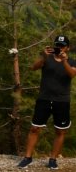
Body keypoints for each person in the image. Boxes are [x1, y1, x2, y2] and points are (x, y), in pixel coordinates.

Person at [18, 35, 76, 170]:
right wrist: (43, 56)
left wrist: (64, 61)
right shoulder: (47, 58)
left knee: (60, 131)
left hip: (61, 100)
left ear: (67, 48)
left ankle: (53, 159)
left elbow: (72, 74)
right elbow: (34, 67)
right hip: (44, 98)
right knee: (34, 128)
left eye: (62, 46)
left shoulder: (72, 61)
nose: (59, 48)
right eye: (57, 45)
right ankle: (27, 158)